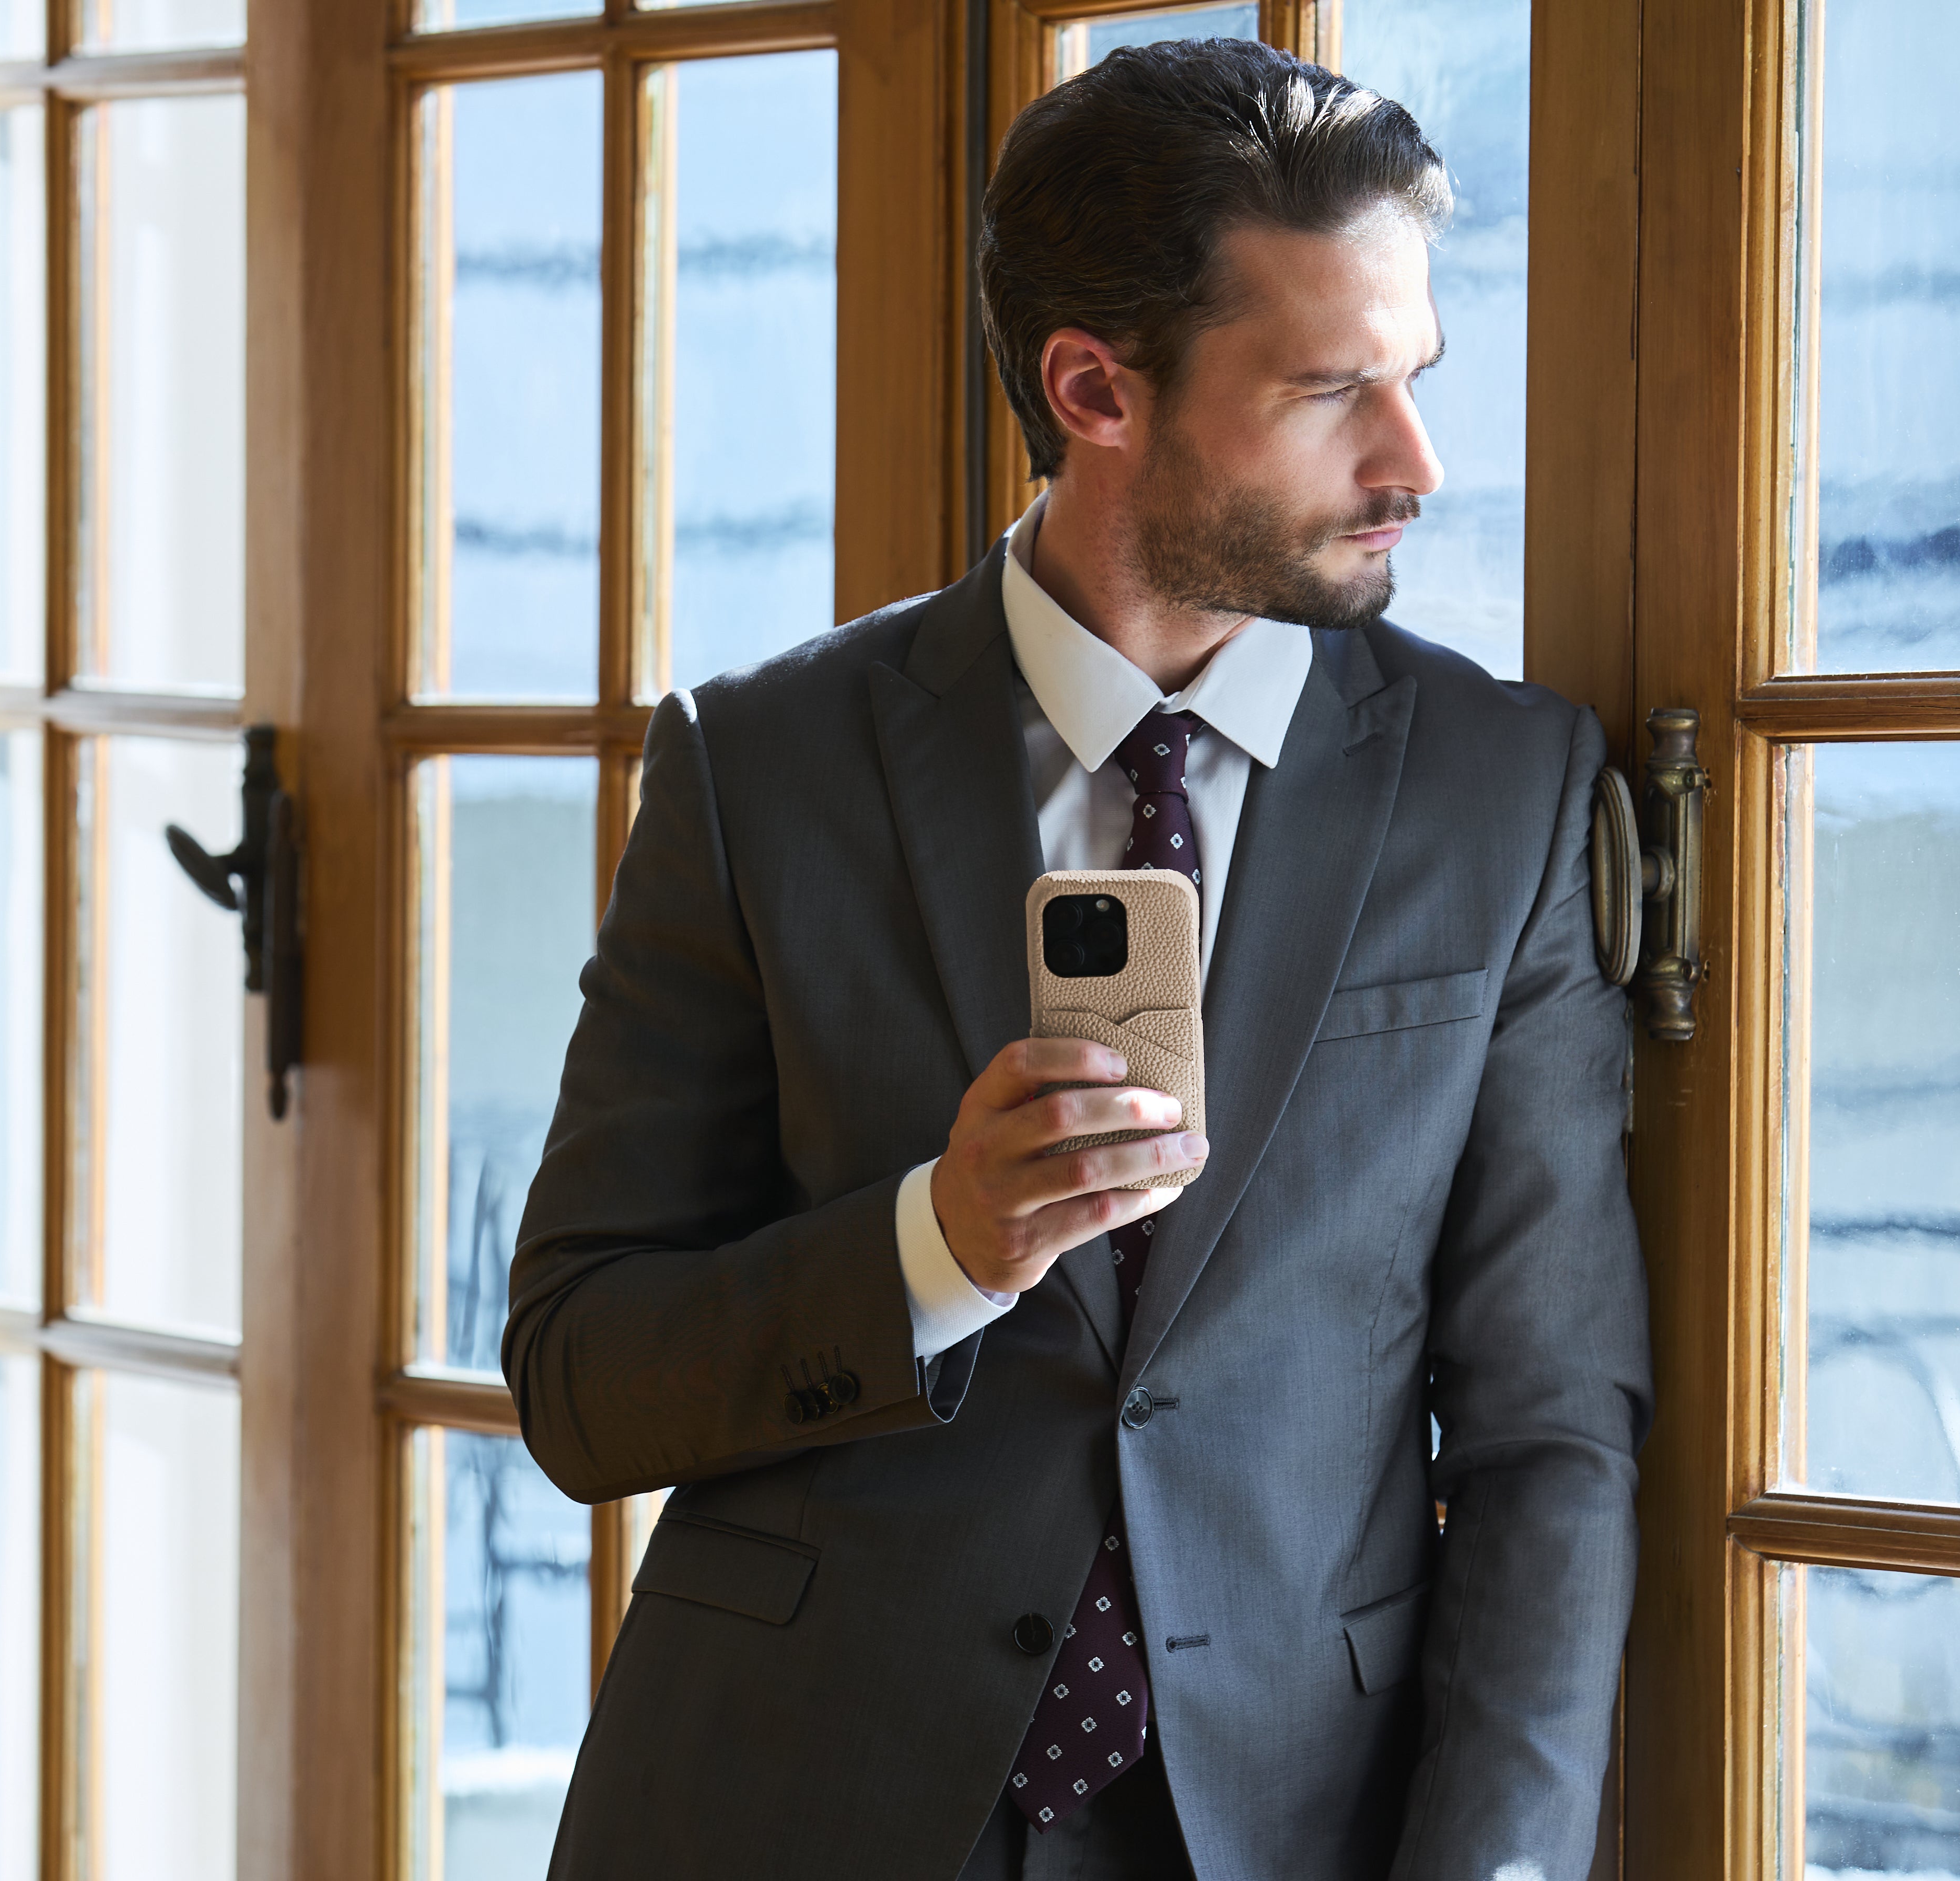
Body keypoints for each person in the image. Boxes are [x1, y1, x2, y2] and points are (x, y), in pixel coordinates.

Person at [505, 34, 1649, 1881]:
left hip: (1283, 1825)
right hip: (793, 1810)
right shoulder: (759, 767)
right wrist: (937, 1247)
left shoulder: (1501, 793)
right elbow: (577, 1370)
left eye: (1414, 376)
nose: (1414, 461)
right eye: (1334, 390)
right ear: (1096, 388)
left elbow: (1552, 1441)